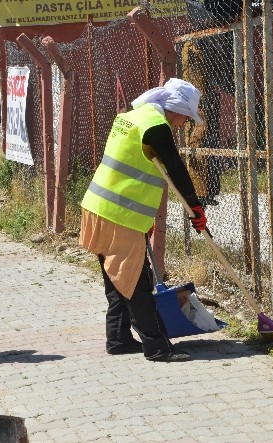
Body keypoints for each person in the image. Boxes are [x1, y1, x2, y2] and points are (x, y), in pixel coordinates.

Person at [79, 78, 209, 363]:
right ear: (174, 108)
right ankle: (157, 347)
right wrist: (195, 207)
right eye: (185, 118)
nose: (183, 124)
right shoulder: (156, 126)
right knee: (136, 281)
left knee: (117, 279)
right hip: (118, 214)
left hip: (99, 206)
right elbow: (175, 167)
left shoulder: (133, 116)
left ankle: (118, 339)